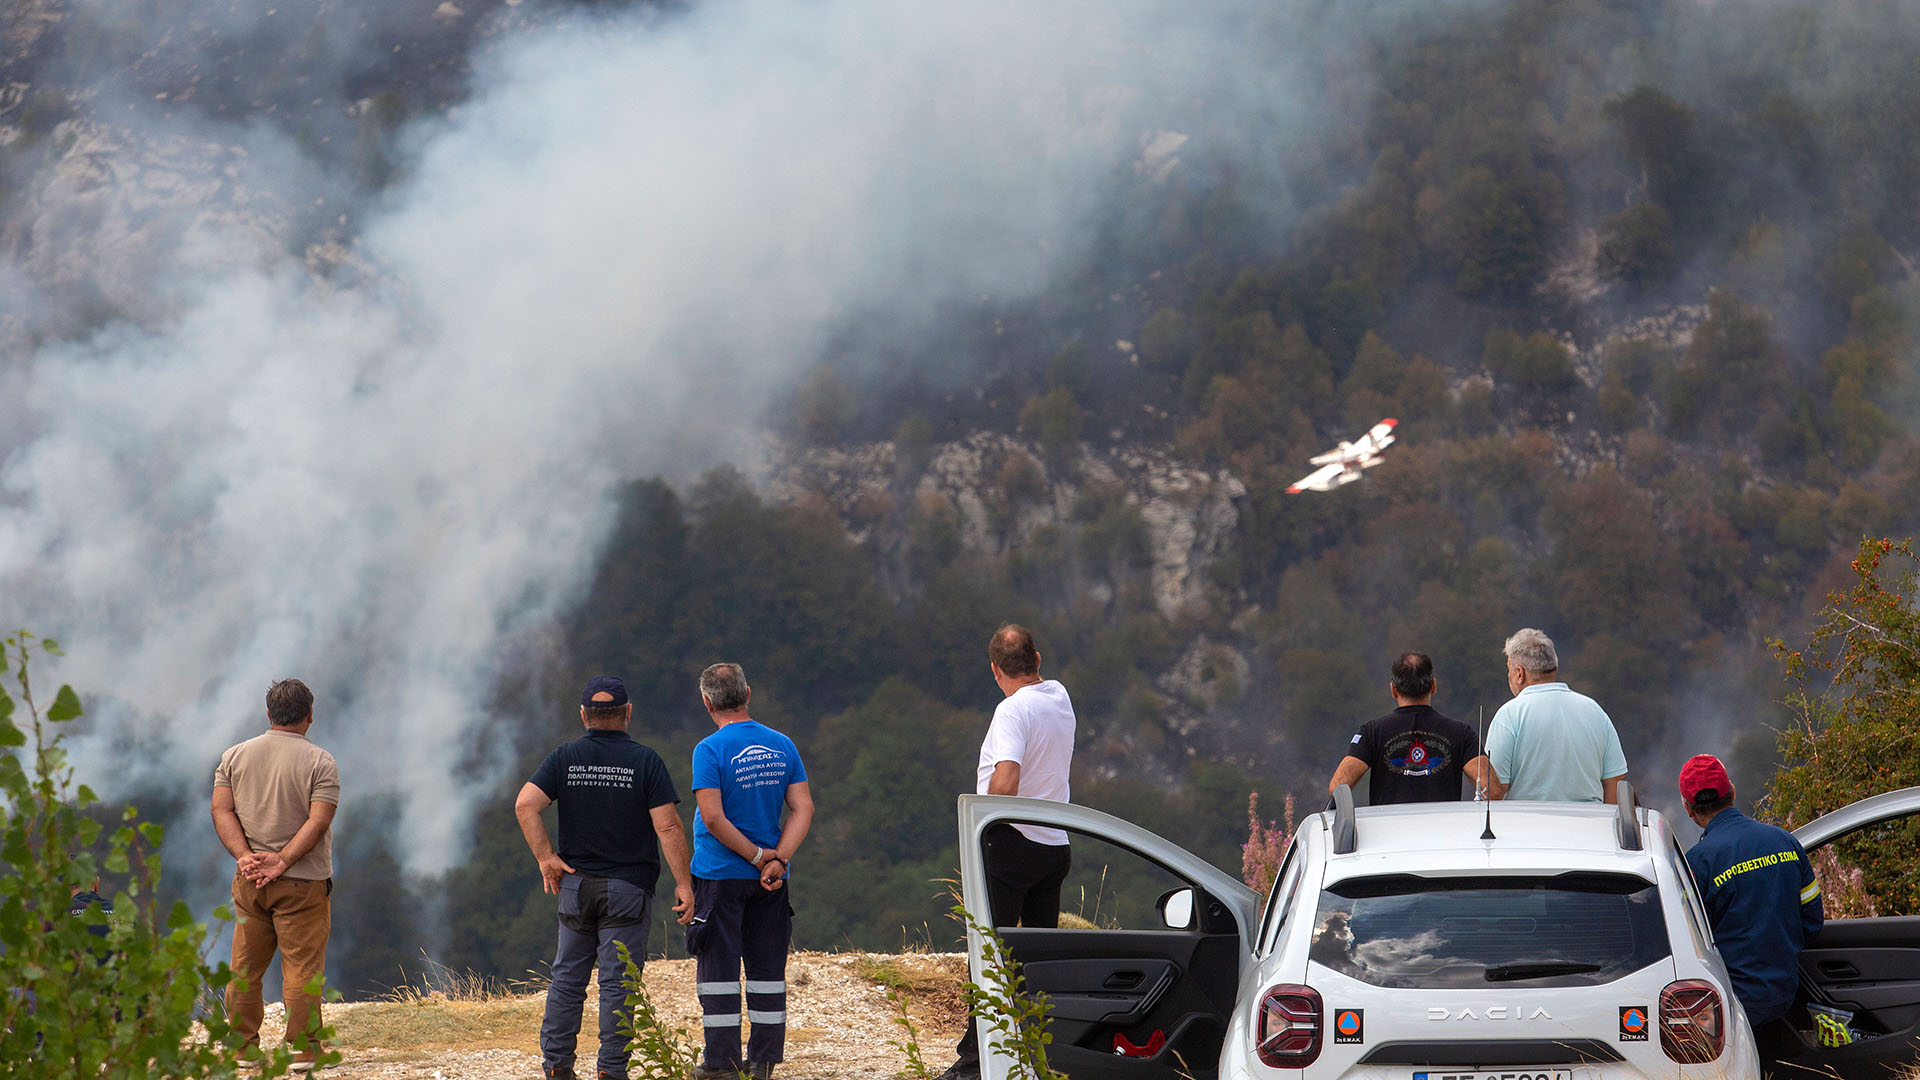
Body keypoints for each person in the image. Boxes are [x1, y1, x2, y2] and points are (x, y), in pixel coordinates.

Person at [515, 675, 694, 1080]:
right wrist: (684, 883)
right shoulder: (646, 761)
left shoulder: (564, 758)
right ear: (628, 713)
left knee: (567, 979)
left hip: (575, 886)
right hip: (628, 890)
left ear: (584, 716)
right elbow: (668, 828)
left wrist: (547, 858)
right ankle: (611, 1071)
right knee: (617, 984)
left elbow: (526, 804)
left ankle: (558, 1067)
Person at [940, 624, 1077, 1080]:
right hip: (1055, 841)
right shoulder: (1060, 698)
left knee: (991, 954)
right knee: (1037, 961)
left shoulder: (1011, 711)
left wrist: (989, 824)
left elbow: (1007, 779)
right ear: (1038, 660)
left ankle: (975, 1063)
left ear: (995, 670)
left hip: (1012, 842)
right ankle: (1036, 1056)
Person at [686, 663, 814, 1080]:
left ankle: (721, 1064)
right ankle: (762, 1061)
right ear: (748, 694)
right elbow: (803, 807)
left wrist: (758, 857)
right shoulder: (783, 745)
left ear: (707, 702)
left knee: (719, 969)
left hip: (721, 874)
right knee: (767, 969)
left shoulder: (709, 750)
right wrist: (778, 858)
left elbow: (713, 816)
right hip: (772, 880)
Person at [211, 678, 340, 1070]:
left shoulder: (234, 756)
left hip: (249, 880)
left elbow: (221, 810)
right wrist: (282, 860)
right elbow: (319, 820)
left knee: (245, 967)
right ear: (310, 716)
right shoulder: (321, 762)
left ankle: (242, 1049)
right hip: (303, 882)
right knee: (301, 969)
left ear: (268, 714)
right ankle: (304, 1051)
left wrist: (245, 856)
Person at [1679, 754, 1823, 1031]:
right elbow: (1812, 921)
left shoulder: (1696, 864)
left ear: (1687, 808)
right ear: (1732, 791)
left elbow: (1691, 944)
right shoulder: (1785, 841)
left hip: (1733, 1010)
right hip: (1787, 997)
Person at [1482, 629, 1628, 803]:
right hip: (1588, 827)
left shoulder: (1509, 715)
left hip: (1525, 827)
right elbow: (1615, 784)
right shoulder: (1595, 711)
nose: (1509, 676)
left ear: (1519, 673)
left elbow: (1494, 791)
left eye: (1509, 670)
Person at [1326, 652, 1492, 804]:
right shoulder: (1462, 733)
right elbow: (1492, 791)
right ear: (1433, 686)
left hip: (1388, 833)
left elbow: (1338, 787)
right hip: (1442, 833)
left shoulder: (1371, 732)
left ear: (1393, 690)